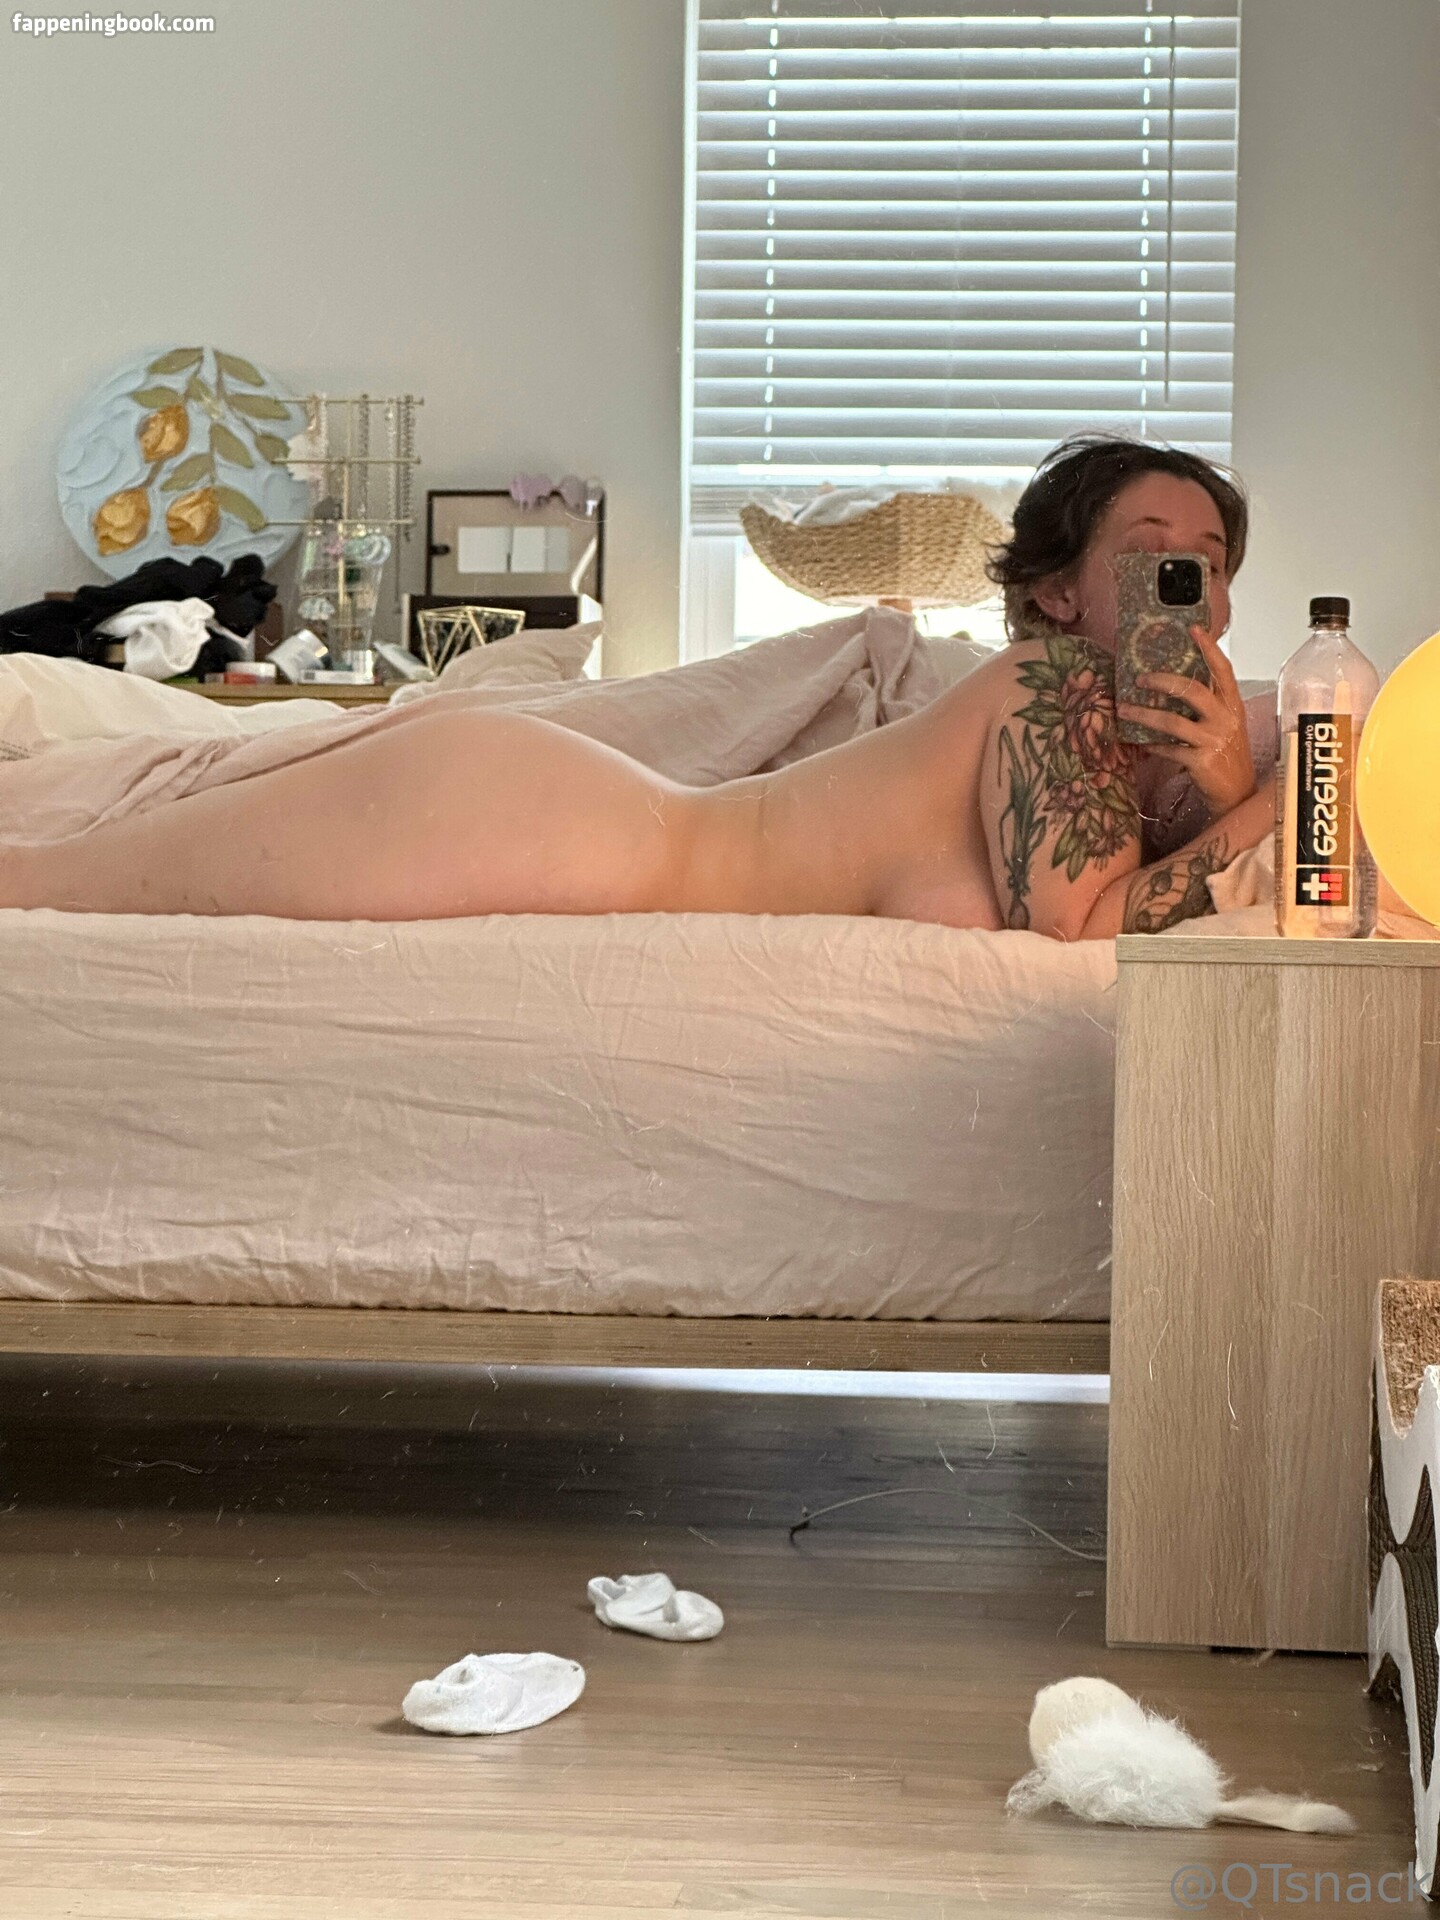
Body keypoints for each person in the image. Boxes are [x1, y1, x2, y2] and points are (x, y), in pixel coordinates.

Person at [0, 434, 1273, 940]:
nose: (1185, 579)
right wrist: (1267, 799)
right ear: (1058, 593)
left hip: (554, 826)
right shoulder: (1049, 683)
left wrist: (1221, 780)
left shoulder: (1139, 754)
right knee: (54, 884)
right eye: (1147, 550)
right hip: (538, 823)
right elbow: (1083, 931)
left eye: (1206, 562)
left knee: (61, 877)